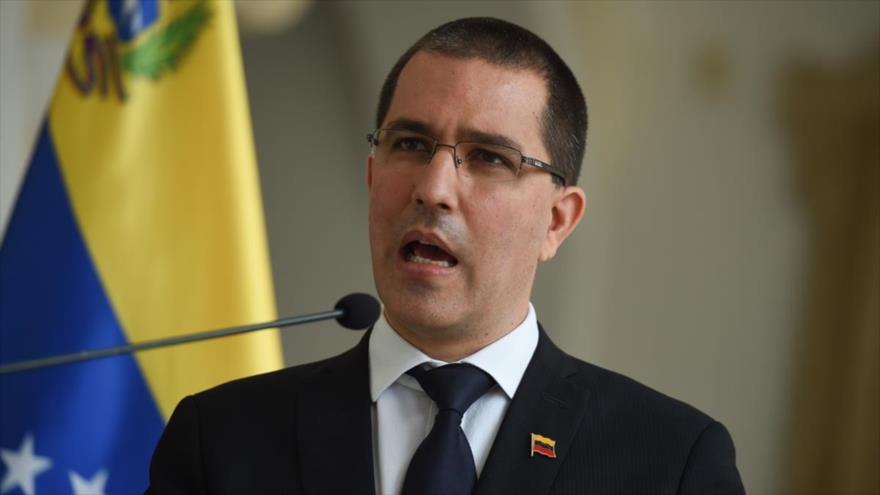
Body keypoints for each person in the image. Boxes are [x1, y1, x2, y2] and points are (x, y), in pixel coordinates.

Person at [147, 17, 745, 495]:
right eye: (409, 144)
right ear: (373, 174)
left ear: (556, 221)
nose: (432, 188)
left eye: (489, 157)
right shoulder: (221, 439)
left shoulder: (670, 463)